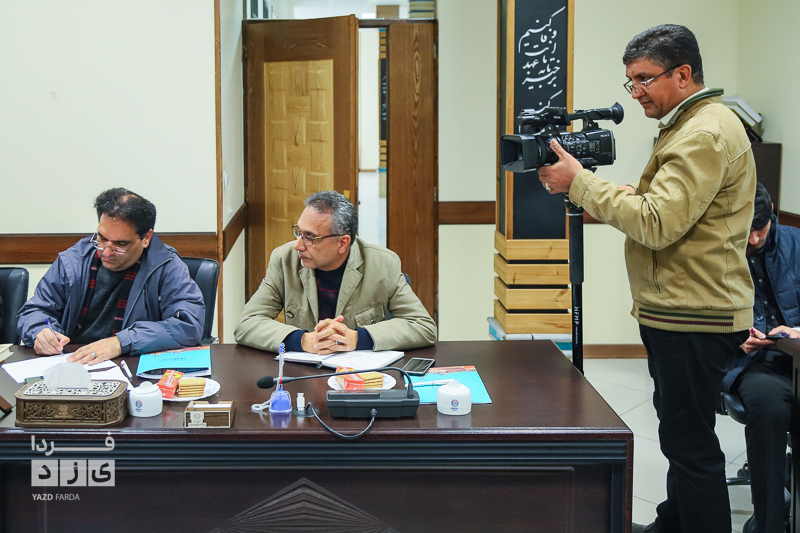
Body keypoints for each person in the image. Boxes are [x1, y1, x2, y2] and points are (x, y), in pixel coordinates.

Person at [537, 24, 756, 533]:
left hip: (693, 314)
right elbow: (666, 205)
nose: (635, 92)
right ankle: (672, 522)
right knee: (682, 436)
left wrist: (581, 183)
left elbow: (658, 223)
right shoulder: (694, 124)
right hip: (682, 308)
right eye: (630, 81)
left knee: (691, 445)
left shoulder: (702, 134)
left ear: (683, 74)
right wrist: (590, 186)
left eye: (644, 79)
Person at [17, 188, 205, 364]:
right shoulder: (74, 260)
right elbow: (34, 310)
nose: (106, 252)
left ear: (146, 238)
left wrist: (120, 342)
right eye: (102, 238)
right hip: (72, 363)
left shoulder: (167, 266)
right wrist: (41, 331)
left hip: (130, 365)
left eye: (121, 244)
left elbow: (188, 326)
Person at [235, 191, 437, 354]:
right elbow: (246, 324)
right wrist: (303, 340)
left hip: (360, 378)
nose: (298, 245)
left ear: (342, 243)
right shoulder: (284, 260)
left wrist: (357, 338)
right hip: (302, 375)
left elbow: (423, 327)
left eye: (310, 237)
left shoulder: (383, 264)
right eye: (299, 232)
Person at [723, 183, 799, 533]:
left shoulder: (797, 245)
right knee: (769, 408)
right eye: (747, 232)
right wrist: (736, 340)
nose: (754, 239)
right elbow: (703, 320)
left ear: (773, 215)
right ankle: (769, 524)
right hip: (754, 365)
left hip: (796, 356)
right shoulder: (718, 254)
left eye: (761, 229)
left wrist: (795, 332)